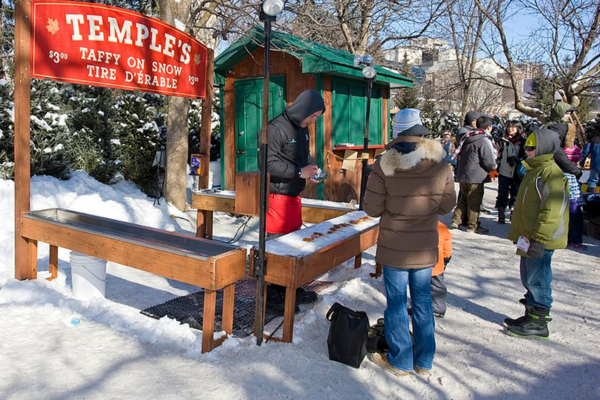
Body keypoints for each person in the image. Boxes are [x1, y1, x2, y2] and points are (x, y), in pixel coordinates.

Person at [363, 109, 456, 376]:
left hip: (394, 248)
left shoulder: (384, 164)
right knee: (423, 303)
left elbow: (371, 208)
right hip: (426, 246)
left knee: (396, 303)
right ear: (421, 130)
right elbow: (448, 204)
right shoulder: (440, 163)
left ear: (396, 133)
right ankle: (424, 362)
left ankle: (401, 360)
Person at [504, 129, 569, 339]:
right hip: (529, 236)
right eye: (527, 146)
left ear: (543, 148)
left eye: (532, 147)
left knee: (537, 278)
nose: (527, 150)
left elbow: (552, 210)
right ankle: (530, 313)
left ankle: (539, 320)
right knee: (528, 276)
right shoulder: (535, 171)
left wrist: (540, 238)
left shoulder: (551, 173)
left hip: (541, 238)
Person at [264, 89, 325, 312]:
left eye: (316, 117)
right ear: (304, 110)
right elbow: (267, 164)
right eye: (313, 116)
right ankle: (272, 295)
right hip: (276, 195)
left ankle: (291, 288)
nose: (313, 121)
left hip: (293, 196)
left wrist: (312, 169)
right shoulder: (276, 127)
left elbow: (303, 156)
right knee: (277, 247)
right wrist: (300, 172)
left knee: (293, 245)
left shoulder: (301, 129)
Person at [450, 115, 497, 234]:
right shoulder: (483, 139)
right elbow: (488, 160)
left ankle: (456, 220)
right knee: (474, 201)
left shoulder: (467, 136)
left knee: (463, 198)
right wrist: (493, 168)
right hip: (476, 176)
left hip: (464, 173)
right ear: (489, 127)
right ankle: (473, 225)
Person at [495, 121, 525, 223]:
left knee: (515, 194)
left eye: (514, 127)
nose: (511, 129)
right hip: (504, 171)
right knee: (502, 193)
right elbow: (497, 154)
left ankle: (513, 214)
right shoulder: (502, 140)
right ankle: (501, 214)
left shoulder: (522, 142)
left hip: (517, 173)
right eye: (509, 127)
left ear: (518, 129)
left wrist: (517, 160)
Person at [543, 101, 582, 178]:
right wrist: (574, 170)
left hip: (551, 166)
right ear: (559, 113)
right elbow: (557, 151)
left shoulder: (547, 126)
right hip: (555, 168)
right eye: (566, 113)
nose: (568, 116)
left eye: (570, 114)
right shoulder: (556, 128)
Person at [431, 221, 452, 318]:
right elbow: (447, 246)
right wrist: (446, 258)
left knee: (420, 286)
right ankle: (439, 307)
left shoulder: (416, 224)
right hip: (438, 263)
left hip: (420, 264)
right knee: (438, 285)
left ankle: (423, 307)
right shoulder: (442, 227)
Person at [580, 127, 600, 193]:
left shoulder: (594, 140)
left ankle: (590, 196)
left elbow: (585, 152)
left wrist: (582, 161)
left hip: (595, 165)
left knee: (592, 181)